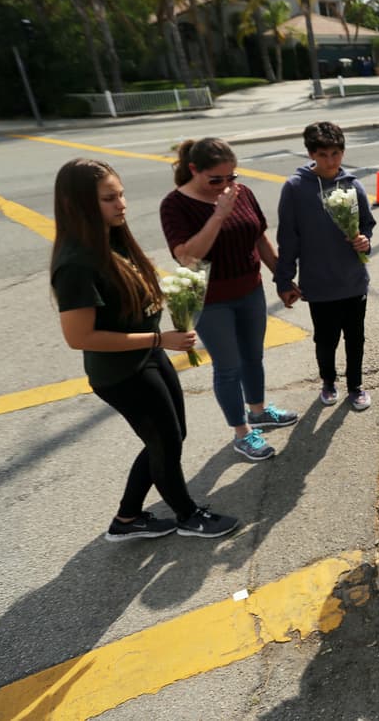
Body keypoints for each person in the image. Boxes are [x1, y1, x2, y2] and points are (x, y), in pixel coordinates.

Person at [51, 158, 238, 540]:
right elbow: (79, 338)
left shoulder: (112, 238)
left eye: (121, 195)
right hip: (121, 373)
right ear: (77, 205)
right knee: (164, 442)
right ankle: (188, 516)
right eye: (108, 198)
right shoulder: (75, 264)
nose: (121, 205)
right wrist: (159, 339)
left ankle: (127, 519)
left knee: (170, 437)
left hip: (148, 357)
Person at [160, 138, 297, 463]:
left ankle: (259, 411)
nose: (225, 185)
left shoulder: (242, 192)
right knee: (228, 367)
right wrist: (218, 215)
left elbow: (259, 237)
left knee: (253, 357)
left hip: (249, 290)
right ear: (193, 169)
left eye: (231, 177)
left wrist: (281, 278)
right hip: (212, 300)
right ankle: (241, 432)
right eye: (216, 179)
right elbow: (187, 257)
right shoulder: (175, 205)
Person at [275, 121, 376, 410]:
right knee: (326, 339)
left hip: (353, 279)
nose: (331, 161)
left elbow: (367, 224)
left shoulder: (353, 185)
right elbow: (288, 238)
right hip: (318, 284)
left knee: (356, 338)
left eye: (336, 153)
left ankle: (355, 386)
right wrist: (284, 281)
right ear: (311, 154)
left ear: (343, 152)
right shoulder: (295, 188)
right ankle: (328, 380)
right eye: (323, 155)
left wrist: (364, 242)